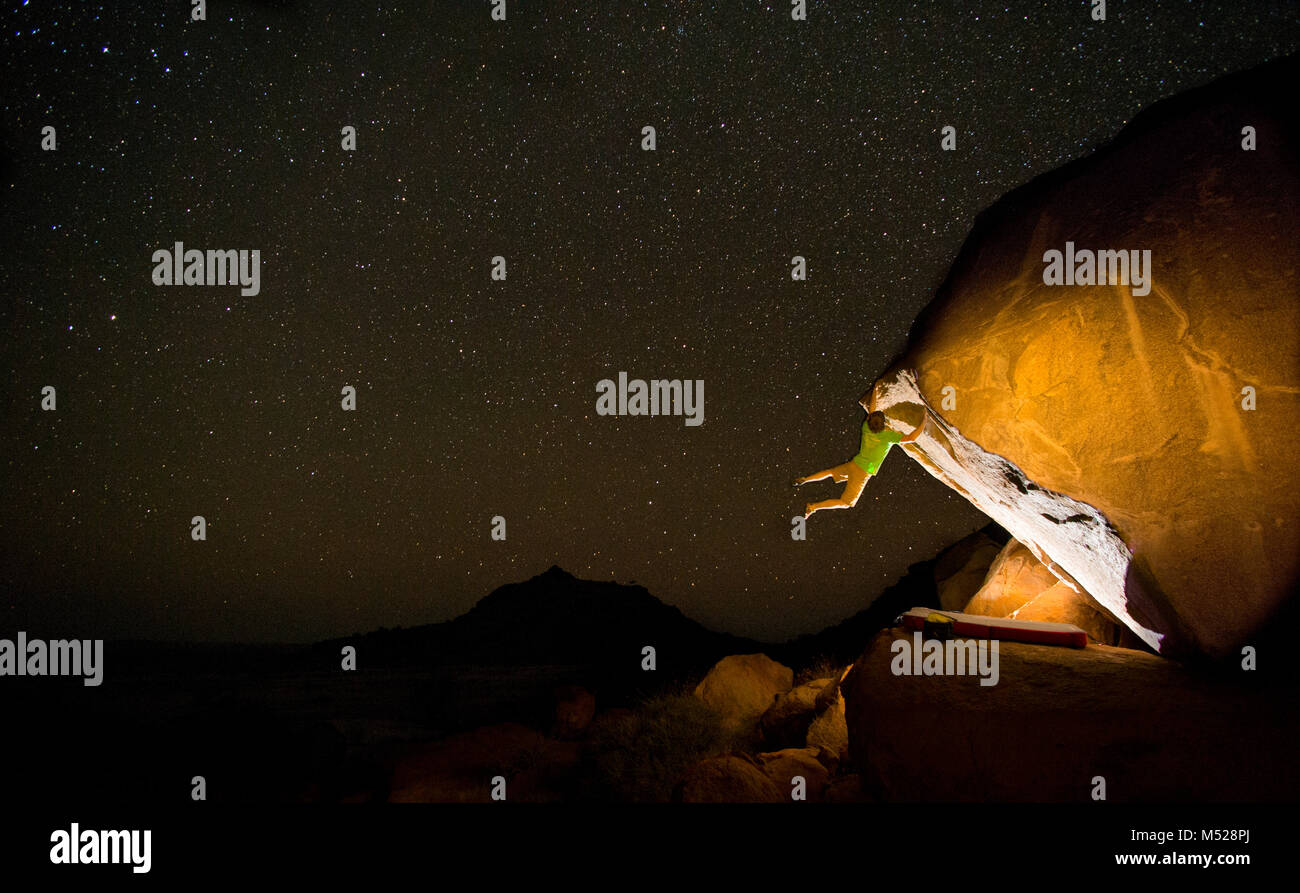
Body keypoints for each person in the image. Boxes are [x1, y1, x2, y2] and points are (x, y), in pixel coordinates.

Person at [796, 406, 925, 519]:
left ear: (870, 421)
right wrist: (925, 421)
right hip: (862, 473)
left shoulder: (866, 427)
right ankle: (814, 507)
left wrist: (876, 390)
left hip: (854, 464)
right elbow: (911, 438)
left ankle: (806, 479)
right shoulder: (889, 437)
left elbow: (871, 412)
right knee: (846, 503)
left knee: (830, 472)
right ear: (883, 425)